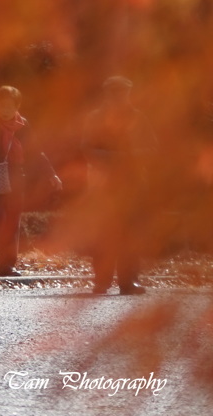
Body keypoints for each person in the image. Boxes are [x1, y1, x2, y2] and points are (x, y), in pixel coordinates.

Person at [0, 86, 62, 277]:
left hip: (16, 177)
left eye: (9, 106)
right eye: (1, 105)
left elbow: (36, 151)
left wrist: (51, 174)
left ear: (17, 106)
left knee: (13, 221)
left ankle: (6, 266)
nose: (4, 110)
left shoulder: (23, 125)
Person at [80, 76, 154, 295]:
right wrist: (110, 157)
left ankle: (128, 281)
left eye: (122, 93)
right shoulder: (95, 119)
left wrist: (131, 157)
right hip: (104, 183)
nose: (119, 98)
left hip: (131, 182)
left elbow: (152, 147)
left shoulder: (139, 118)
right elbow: (87, 148)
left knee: (130, 234)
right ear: (107, 95)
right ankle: (102, 280)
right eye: (114, 94)